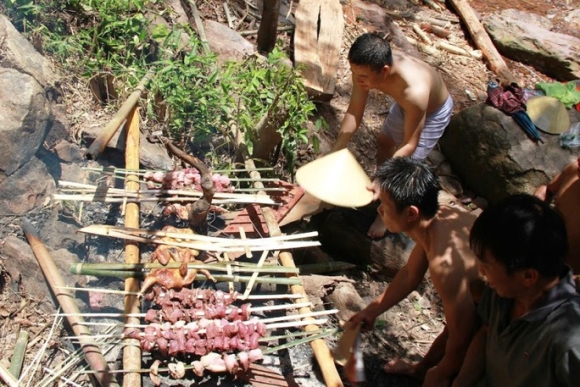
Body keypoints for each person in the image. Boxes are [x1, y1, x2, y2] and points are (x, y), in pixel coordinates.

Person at [349, 157, 483, 386]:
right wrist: (373, 310)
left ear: (411, 213)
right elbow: (411, 274)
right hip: (480, 302)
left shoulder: (445, 266)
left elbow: (461, 336)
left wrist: (440, 372)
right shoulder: (437, 221)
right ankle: (421, 370)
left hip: (511, 309)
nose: (379, 210)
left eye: (385, 206)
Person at [329, 32, 453, 238]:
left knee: (408, 167)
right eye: (354, 73)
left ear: (384, 71)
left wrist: (384, 179)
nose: (357, 79)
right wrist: (337, 148)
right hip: (405, 105)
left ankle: (389, 211)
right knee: (384, 142)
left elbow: (408, 145)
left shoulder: (415, 91)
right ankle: (383, 195)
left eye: (362, 77)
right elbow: (354, 112)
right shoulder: (364, 66)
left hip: (432, 112)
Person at [453, 194, 580, 387]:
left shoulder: (569, 342)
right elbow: (485, 333)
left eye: (487, 267)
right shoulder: (505, 289)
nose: (481, 272)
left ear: (528, 277)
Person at [534, 156, 580, 274]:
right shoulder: (574, 171)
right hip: (537, 247)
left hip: (563, 275)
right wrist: (534, 204)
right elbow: (547, 189)